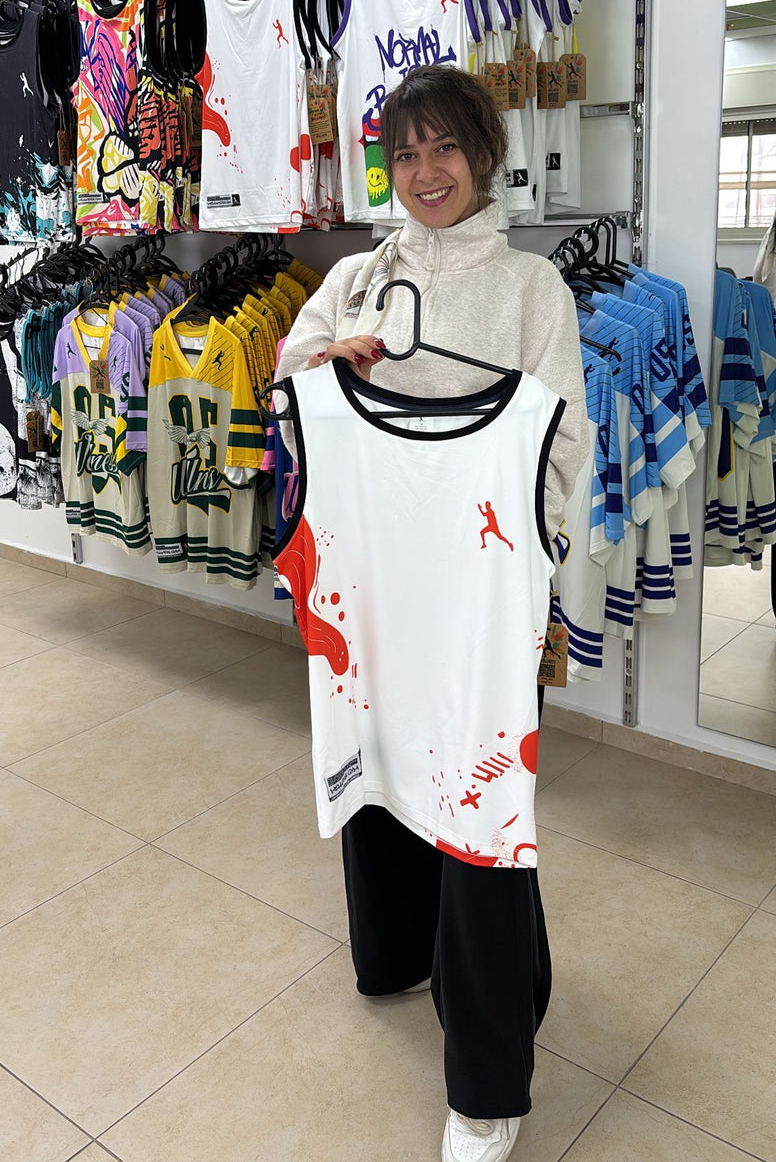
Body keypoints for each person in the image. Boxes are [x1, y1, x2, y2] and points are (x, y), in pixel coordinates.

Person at [275, 65, 589, 1162]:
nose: (424, 172)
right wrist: (326, 356)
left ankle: (488, 1088)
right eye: (404, 154)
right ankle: (397, 951)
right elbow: (291, 377)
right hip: (371, 588)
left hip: (478, 597)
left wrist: (506, 550)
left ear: (484, 154)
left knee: (480, 808)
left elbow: (560, 451)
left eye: (443, 147)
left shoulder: (531, 291)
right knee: (376, 765)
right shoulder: (357, 276)